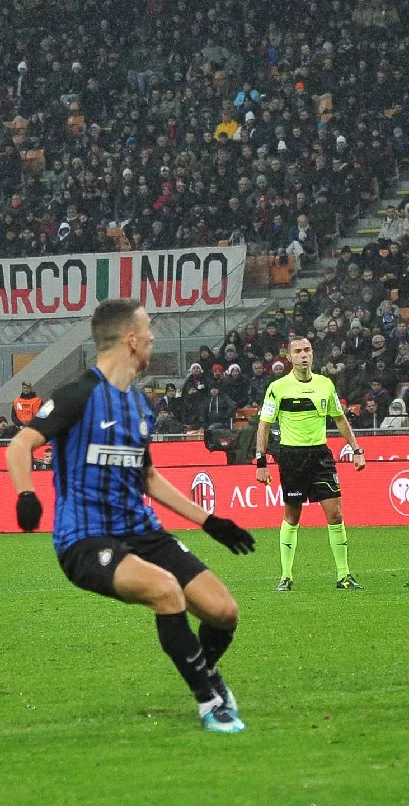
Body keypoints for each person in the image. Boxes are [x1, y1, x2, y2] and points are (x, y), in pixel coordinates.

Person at [4, 298, 257, 733]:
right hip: (85, 538)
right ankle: (209, 702)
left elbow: (149, 477)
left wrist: (209, 522)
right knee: (165, 590)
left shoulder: (138, 406)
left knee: (224, 612)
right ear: (131, 339)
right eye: (149, 328)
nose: (154, 336)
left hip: (142, 532)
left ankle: (205, 672)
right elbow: (20, 445)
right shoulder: (77, 395)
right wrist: (26, 494)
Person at [255, 336, 367, 592]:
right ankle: (285, 576)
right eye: (298, 351)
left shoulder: (325, 384)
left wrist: (357, 450)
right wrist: (261, 461)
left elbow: (339, 419)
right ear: (290, 357)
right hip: (292, 457)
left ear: (312, 354)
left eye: (307, 350)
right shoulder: (278, 387)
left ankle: (344, 575)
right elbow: (264, 424)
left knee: (335, 514)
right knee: (292, 516)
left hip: (320, 456)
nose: (303, 355)